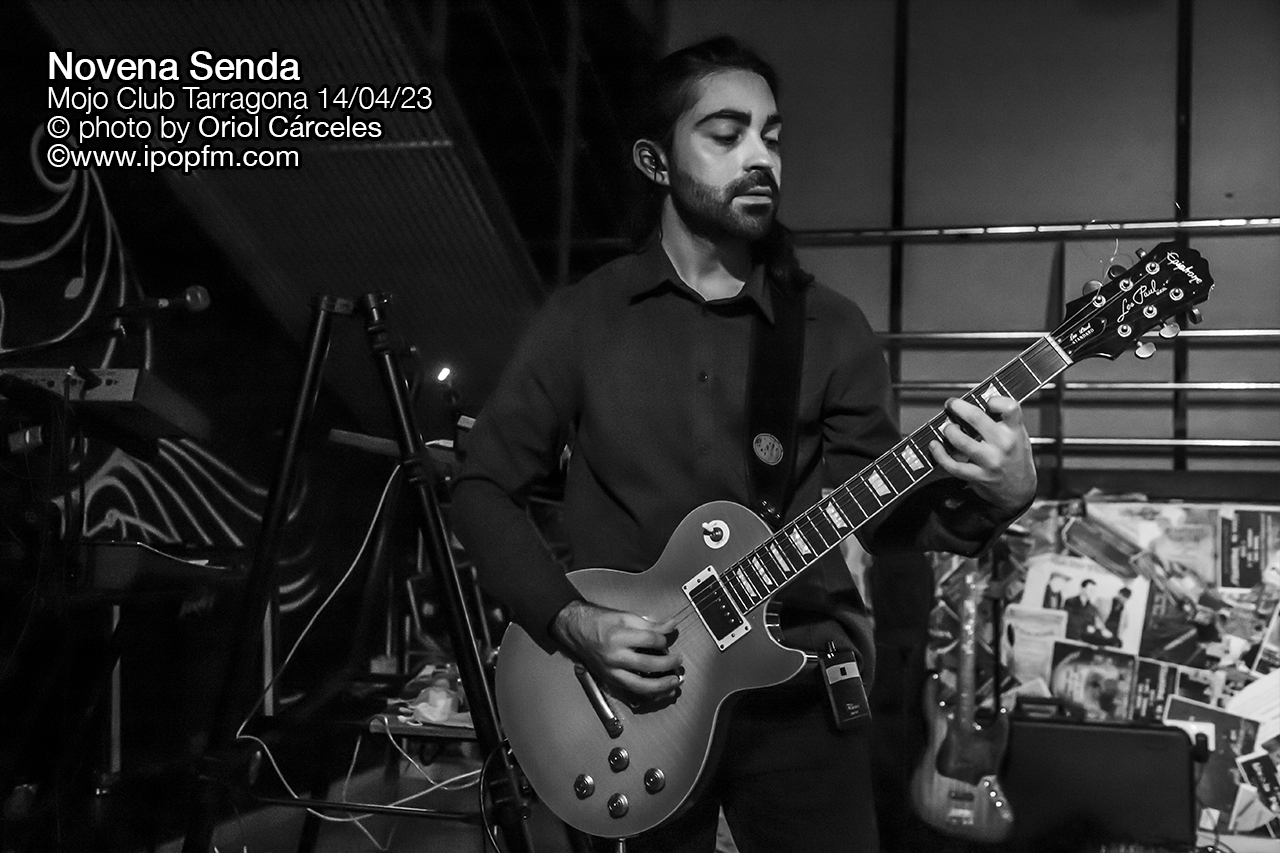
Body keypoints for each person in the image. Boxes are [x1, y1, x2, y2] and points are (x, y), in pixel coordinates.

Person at [451, 36, 1037, 852]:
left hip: (800, 691)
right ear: (655, 161)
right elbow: (481, 487)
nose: (760, 156)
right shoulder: (582, 319)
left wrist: (997, 499)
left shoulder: (829, 326)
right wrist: (570, 620)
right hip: (631, 696)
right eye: (727, 135)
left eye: (772, 135)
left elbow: (882, 514)